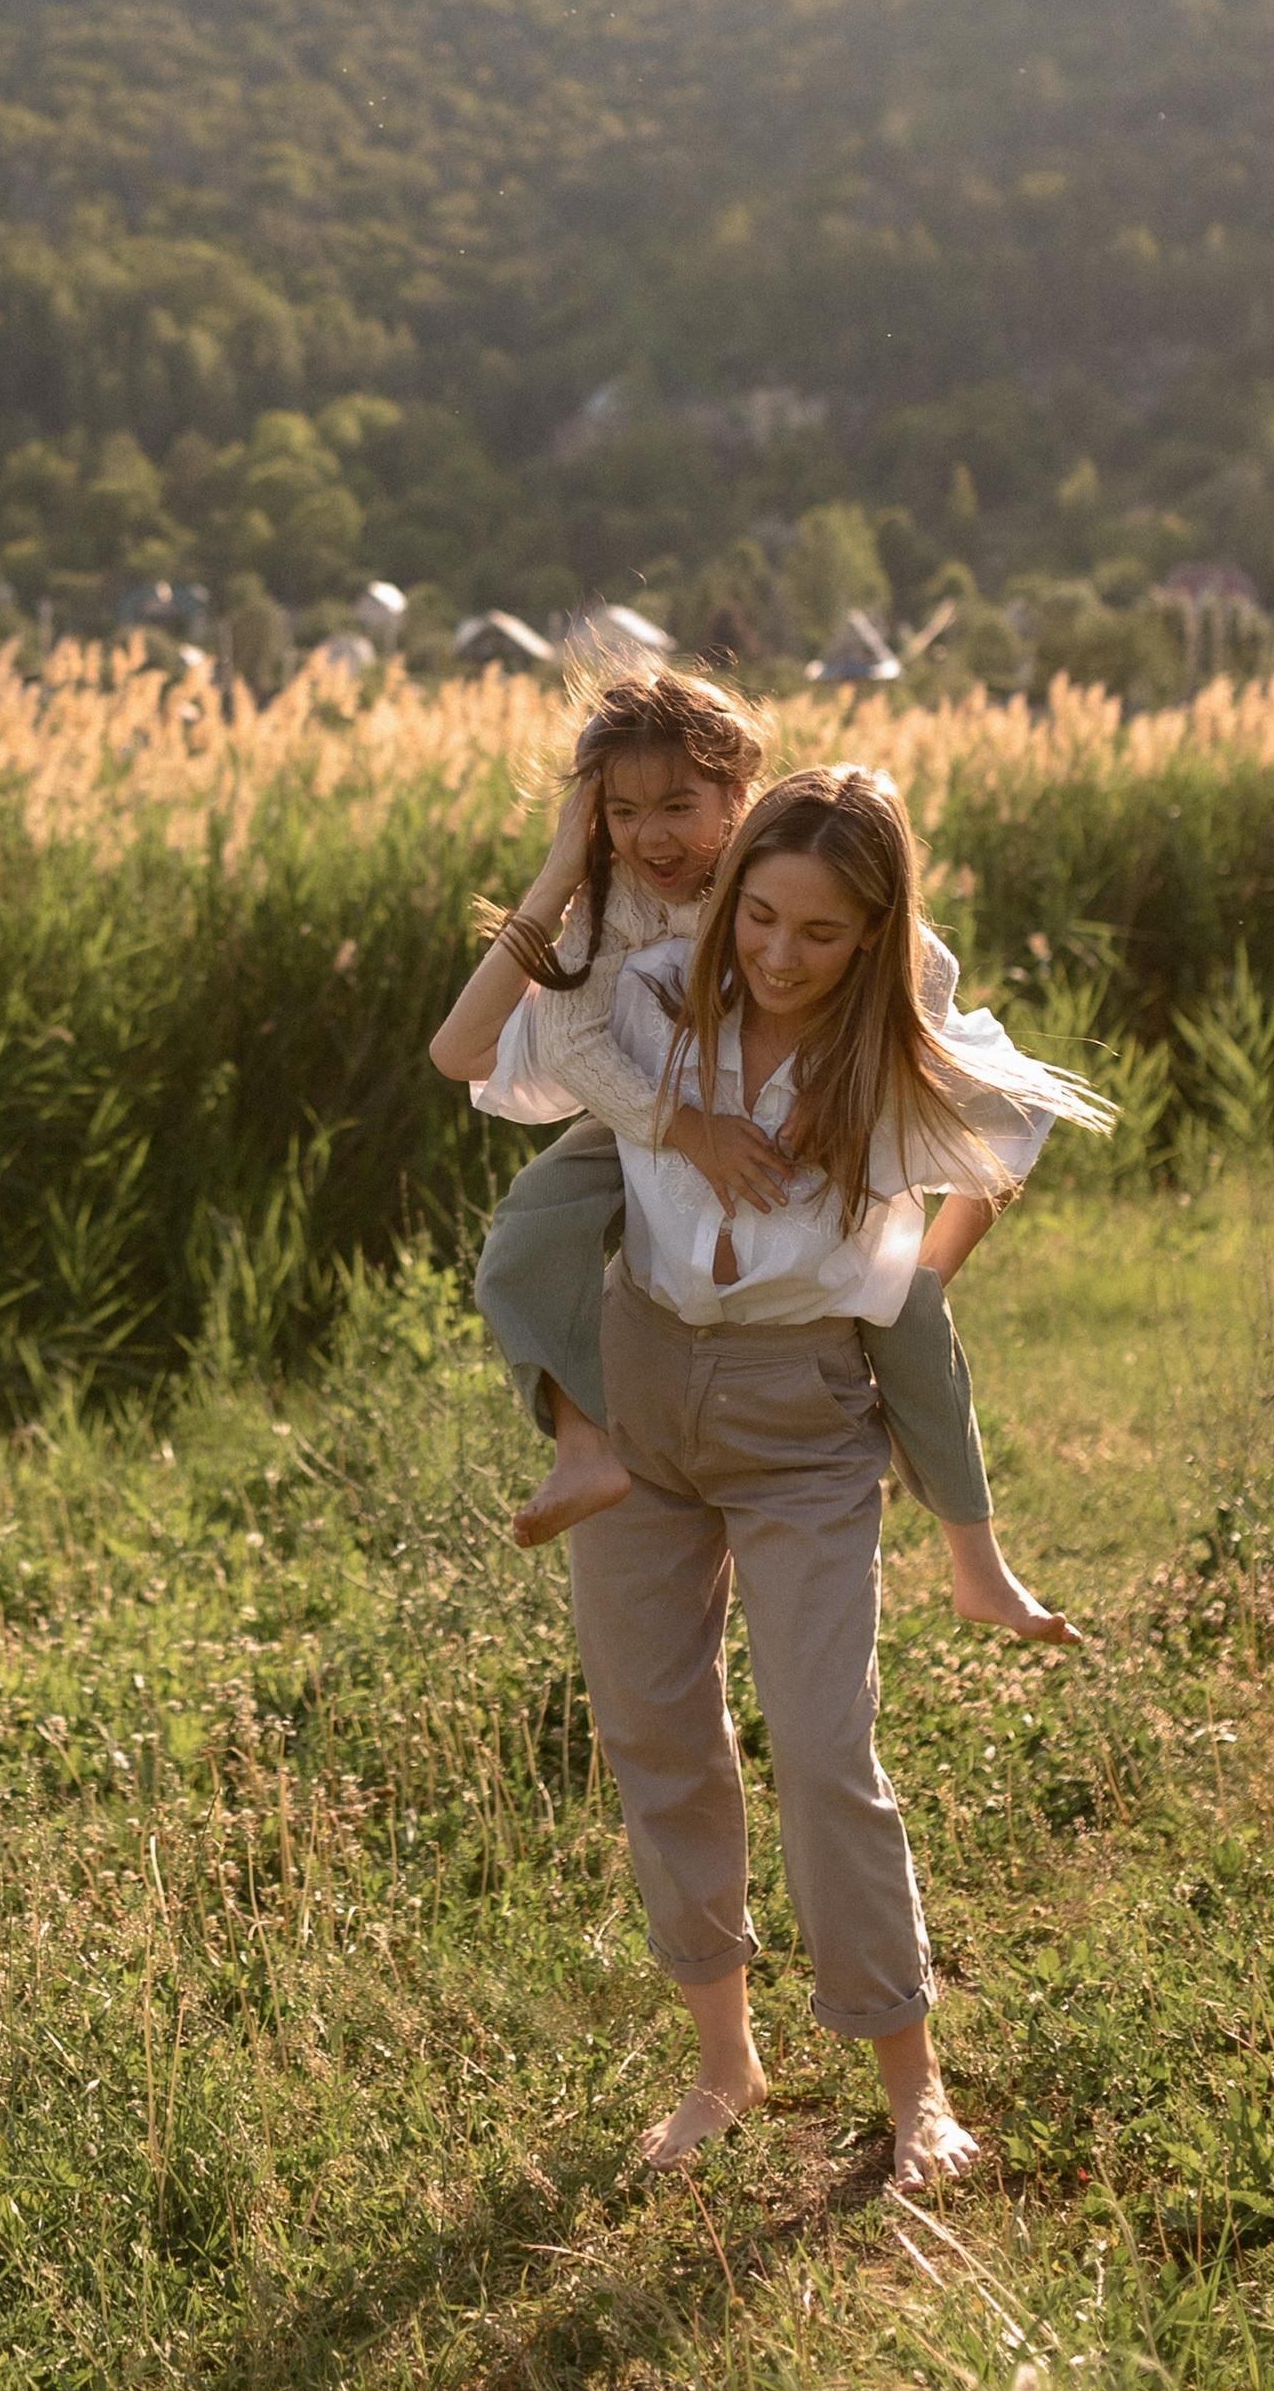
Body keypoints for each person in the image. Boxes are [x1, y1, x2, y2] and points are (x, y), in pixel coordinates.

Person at [560, 762, 1113, 2182]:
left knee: (821, 1750)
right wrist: (577, 846)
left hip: (803, 1410)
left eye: (822, 932)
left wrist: (910, 1281)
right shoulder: (653, 1001)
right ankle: (723, 2066)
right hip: (642, 1386)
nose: (780, 956)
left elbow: (1011, 1139)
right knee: (656, 1740)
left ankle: (911, 2086)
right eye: (760, 918)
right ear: (728, 896)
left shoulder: (892, 1046)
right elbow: (496, 1045)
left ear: (872, 935)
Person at [428, 668, 1073, 1645]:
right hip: (644, 1107)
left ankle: (975, 1561)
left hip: (776, 1127)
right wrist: (563, 872)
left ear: (742, 798)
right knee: (529, 1226)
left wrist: (840, 1090)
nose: (651, 836)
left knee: (910, 1308)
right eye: (620, 811)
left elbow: (921, 965)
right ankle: (582, 1439)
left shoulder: (784, 868)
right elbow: (552, 1047)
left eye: (679, 805)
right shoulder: (611, 909)